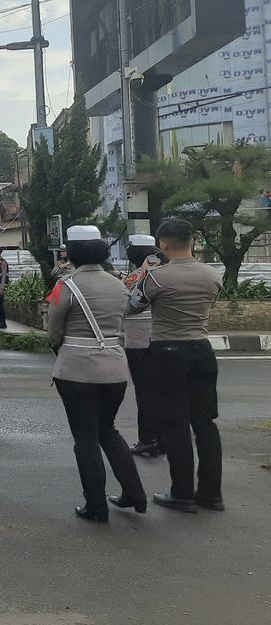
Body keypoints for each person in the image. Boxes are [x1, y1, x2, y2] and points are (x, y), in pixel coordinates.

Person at [46, 225, 146, 523]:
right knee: (108, 430)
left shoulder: (66, 286)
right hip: (115, 369)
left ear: (72, 253)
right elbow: (125, 317)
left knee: (85, 438)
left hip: (76, 371)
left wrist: (62, 351)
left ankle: (96, 506)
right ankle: (135, 495)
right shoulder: (120, 285)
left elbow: (53, 331)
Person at [128, 217, 225, 513]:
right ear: (193, 241)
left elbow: (133, 306)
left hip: (167, 351)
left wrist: (143, 277)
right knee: (205, 423)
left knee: (175, 423)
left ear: (163, 245)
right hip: (202, 349)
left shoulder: (157, 278)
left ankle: (181, 493)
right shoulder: (213, 275)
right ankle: (211, 495)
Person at [122, 235, 161, 458]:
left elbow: (129, 305)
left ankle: (148, 440)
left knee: (145, 393)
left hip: (139, 341)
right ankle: (162, 438)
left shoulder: (143, 274)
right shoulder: (162, 269)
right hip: (160, 339)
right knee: (160, 392)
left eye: (129, 248)